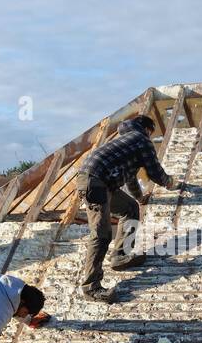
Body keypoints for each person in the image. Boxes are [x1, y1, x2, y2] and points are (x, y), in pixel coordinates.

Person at [76, 114, 182, 302]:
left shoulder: (126, 143)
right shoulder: (141, 140)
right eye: (151, 133)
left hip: (99, 182)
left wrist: (140, 198)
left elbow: (130, 178)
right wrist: (170, 182)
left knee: (130, 208)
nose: (150, 137)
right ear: (147, 129)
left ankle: (120, 256)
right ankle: (91, 288)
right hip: (94, 182)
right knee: (101, 234)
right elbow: (155, 172)